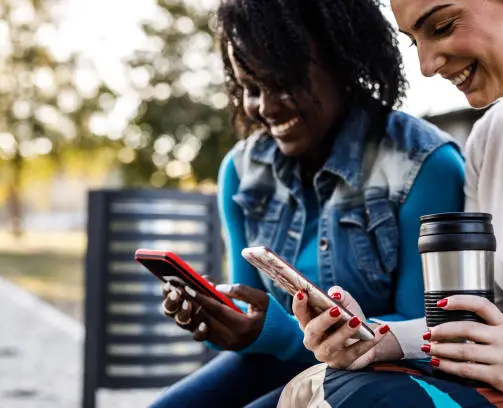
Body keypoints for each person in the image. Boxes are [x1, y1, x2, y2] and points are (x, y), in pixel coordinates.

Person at [280, 0, 503, 407]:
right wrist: (373, 337)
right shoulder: (490, 137)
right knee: (321, 386)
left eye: (442, 25)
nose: (427, 66)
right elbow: (483, 315)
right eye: (413, 42)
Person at [150, 0, 465, 407]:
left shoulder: (424, 165)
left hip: (384, 379)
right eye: (250, 88)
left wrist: (280, 335)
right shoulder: (243, 172)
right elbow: (253, 333)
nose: (265, 106)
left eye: (281, 82)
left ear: (342, 58)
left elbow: (426, 338)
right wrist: (224, 322)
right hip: (276, 365)